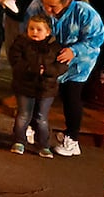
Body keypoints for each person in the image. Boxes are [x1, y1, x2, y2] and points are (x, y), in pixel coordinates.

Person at [30, 0, 104, 158]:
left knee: (71, 96)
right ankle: (33, 128)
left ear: (66, 2)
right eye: (46, 5)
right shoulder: (37, 7)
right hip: (51, 59)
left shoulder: (84, 12)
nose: (48, 10)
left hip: (79, 62)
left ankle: (72, 139)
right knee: (40, 92)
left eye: (53, 7)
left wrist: (74, 50)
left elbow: (97, 38)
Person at [8, 14, 64, 157]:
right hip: (24, 86)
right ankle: (19, 141)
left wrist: (46, 70)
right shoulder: (21, 43)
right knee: (23, 115)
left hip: (46, 88)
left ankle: (44, 144)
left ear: (47, 32)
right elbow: (15, 61)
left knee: (41, 117)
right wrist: (32, 69)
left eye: (39, 29)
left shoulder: (54, 47)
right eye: (31, 28)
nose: (34, 32)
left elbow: (61, 66)